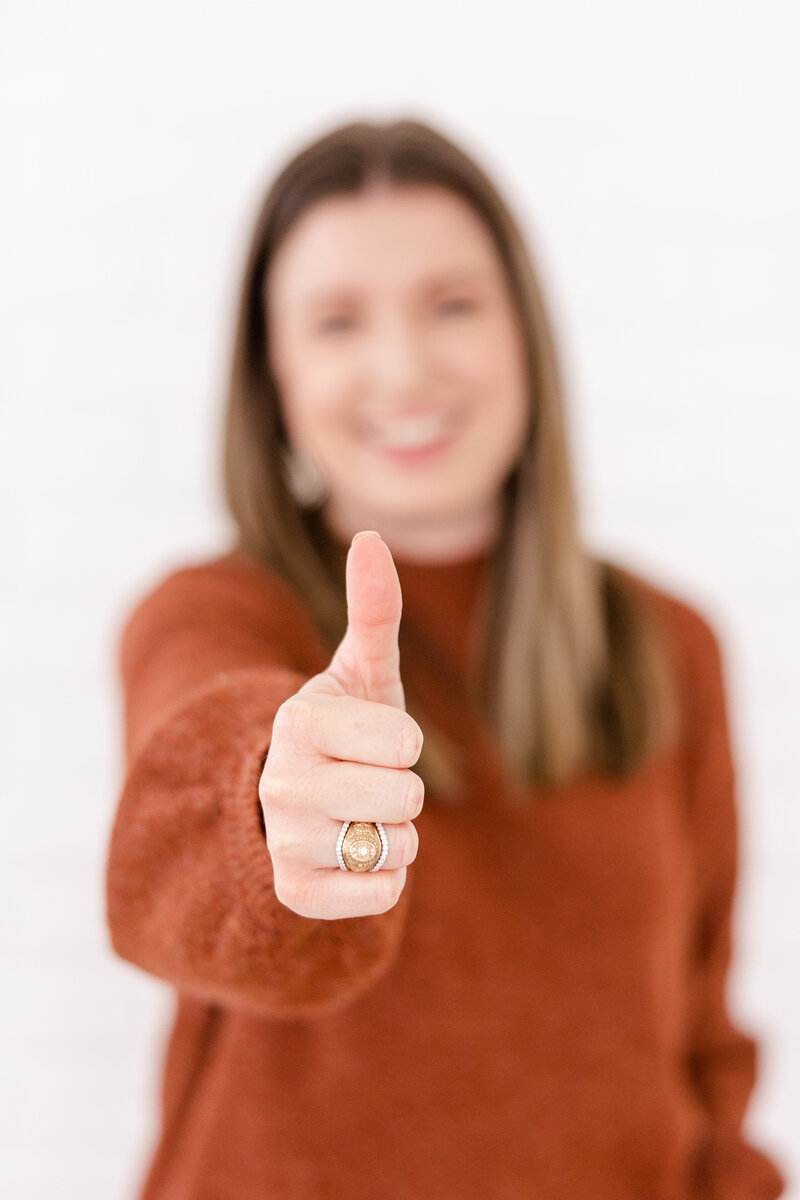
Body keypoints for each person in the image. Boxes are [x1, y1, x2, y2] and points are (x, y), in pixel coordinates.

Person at [104, 118, 786, 1199]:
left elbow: (696, 1039)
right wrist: (271, 801)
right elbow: (176, 831)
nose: (402, 368)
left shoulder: (668, 645)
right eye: (335, 323)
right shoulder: (214, 614)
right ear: (271, 374)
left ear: (524, 333)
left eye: (451, 305)